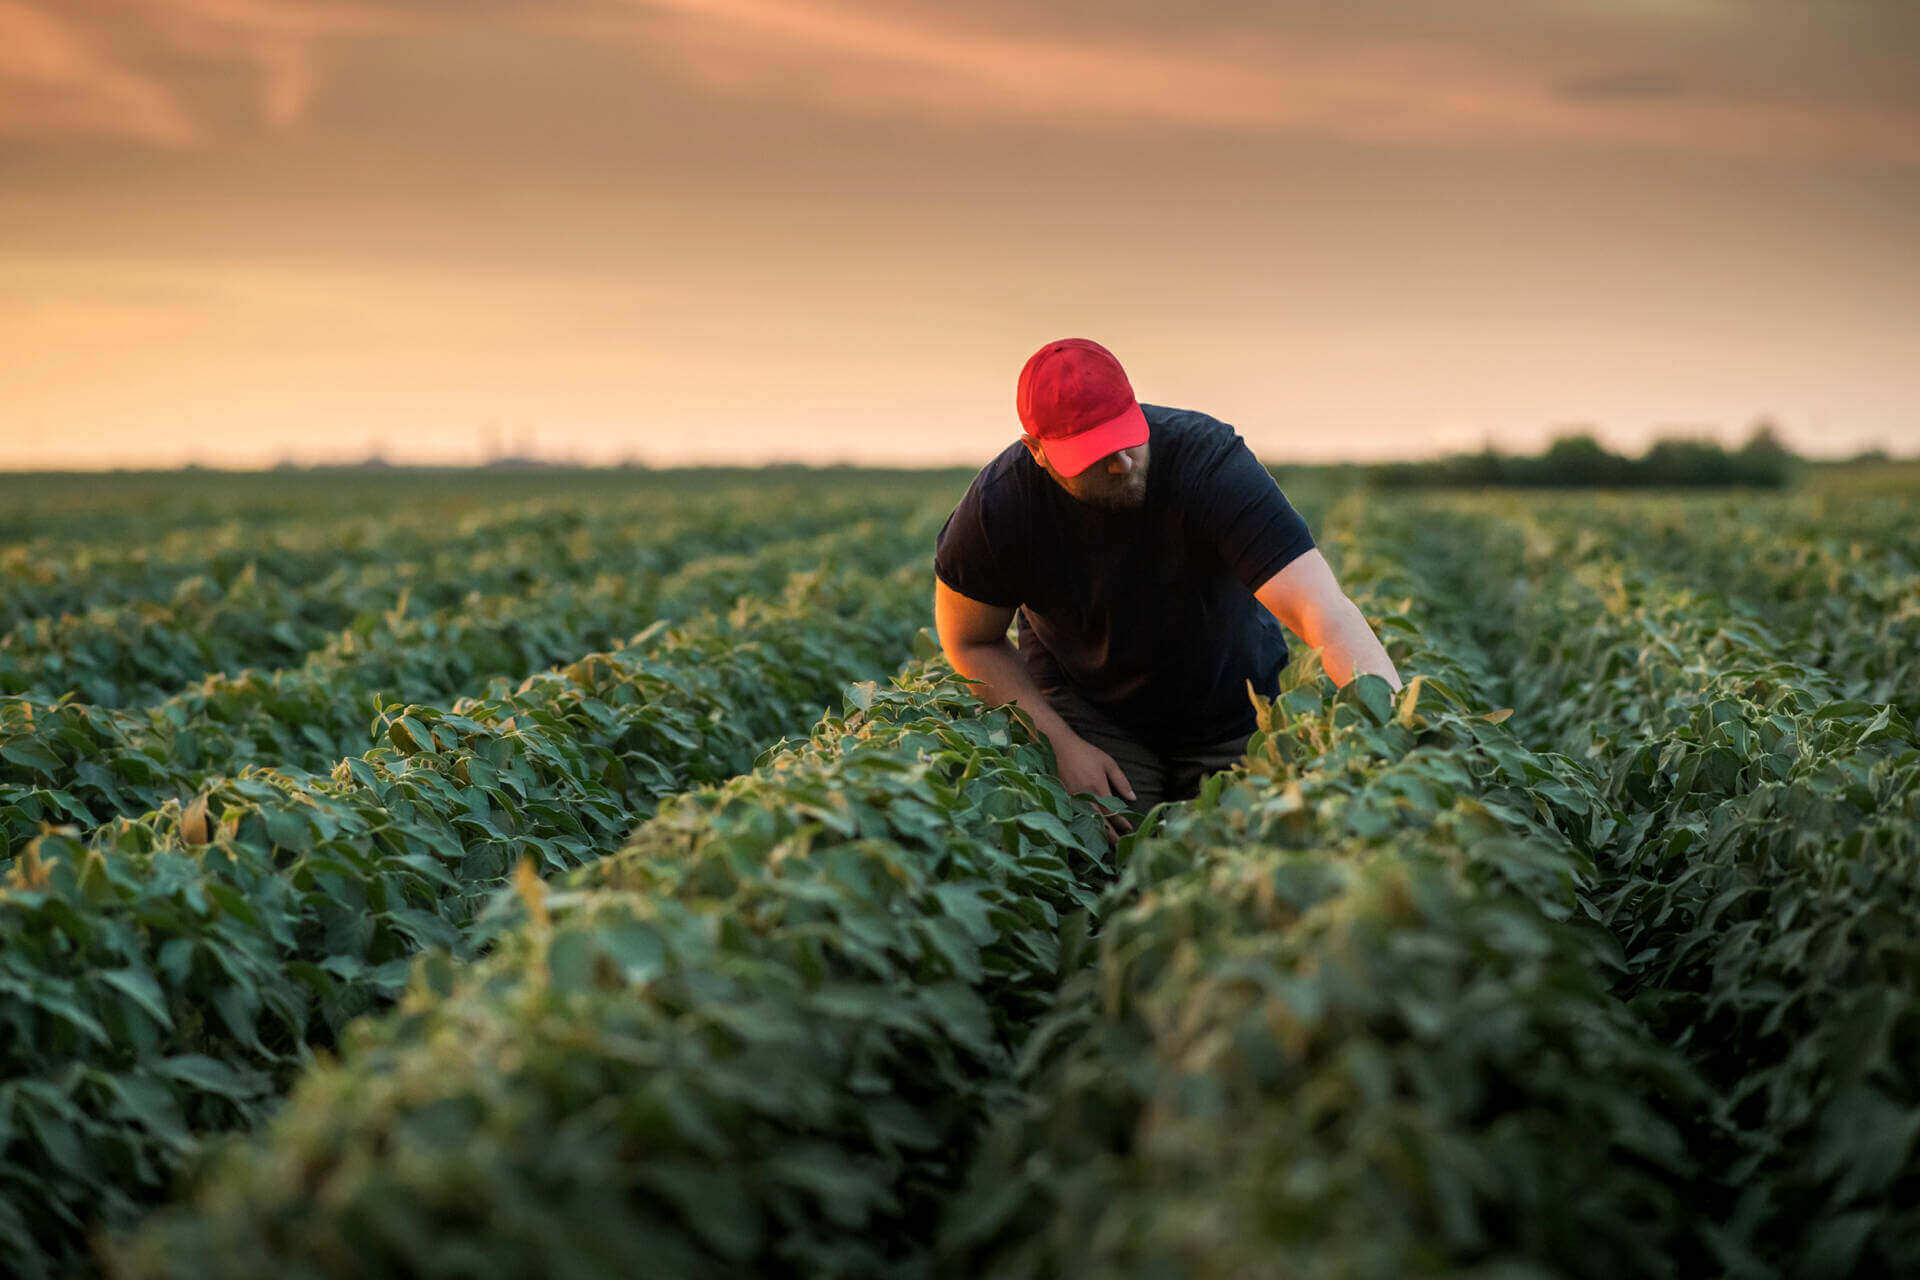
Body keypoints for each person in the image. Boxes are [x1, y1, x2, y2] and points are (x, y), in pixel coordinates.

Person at [932, 337, 1402, 841]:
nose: (1122, 464)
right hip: (1093, 714)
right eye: (1094, 456)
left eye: (1125, 438)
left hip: (1232, 701)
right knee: (1111, 852)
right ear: (1038, 451)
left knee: (1244, 851)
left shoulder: (1209, 461)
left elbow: (1320, 609)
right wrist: (1061, 746)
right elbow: (970, 639)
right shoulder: (1001, 506)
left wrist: (1391, 727)